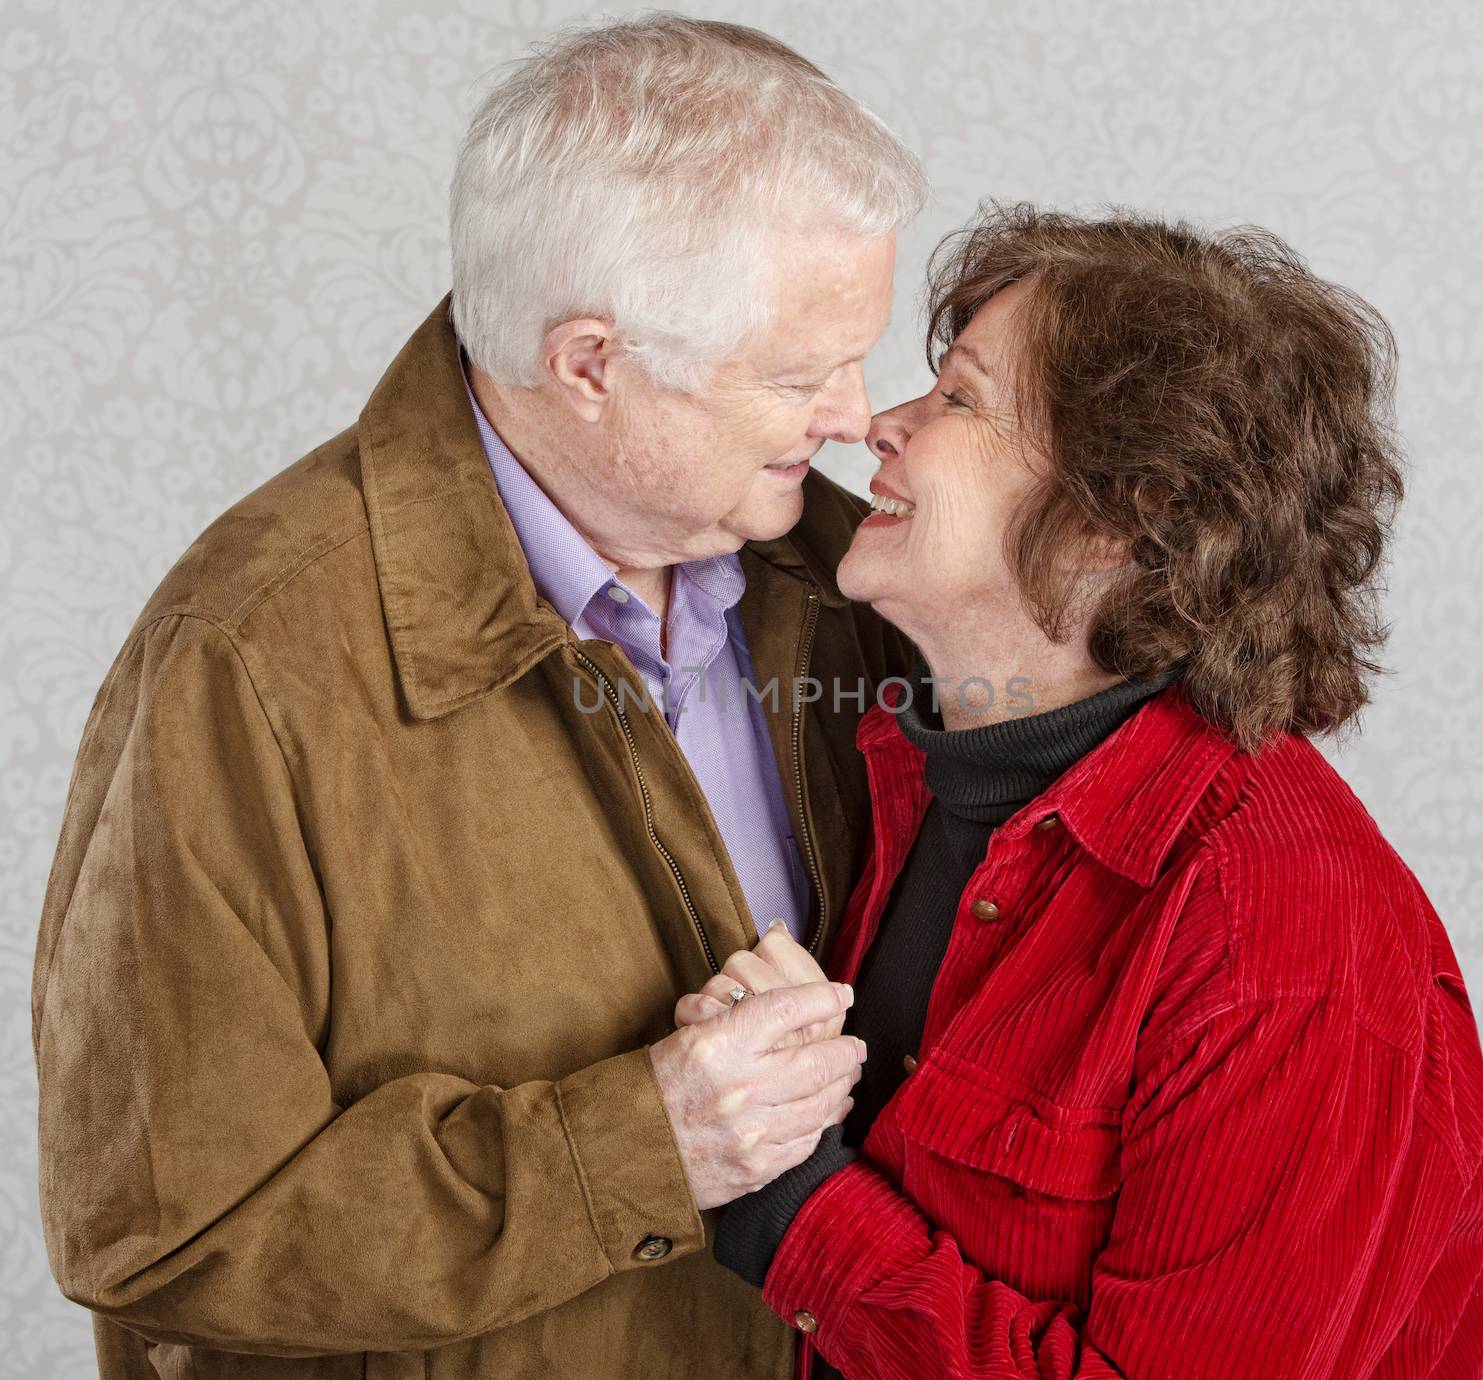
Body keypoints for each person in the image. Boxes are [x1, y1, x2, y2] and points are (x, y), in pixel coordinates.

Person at [31, 16, 926, 1380]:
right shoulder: (248, 662)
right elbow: (160, 1235)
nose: (860, 417)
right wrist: (642, 1147)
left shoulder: (856, 587)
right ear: (588, 365)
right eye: (801, 375)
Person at [686, 204, 1483, 1378]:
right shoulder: (906, 767)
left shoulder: (1284, 942)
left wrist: (795, 1205)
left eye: (960, 399)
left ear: (1124, 521)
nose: (876, 426)